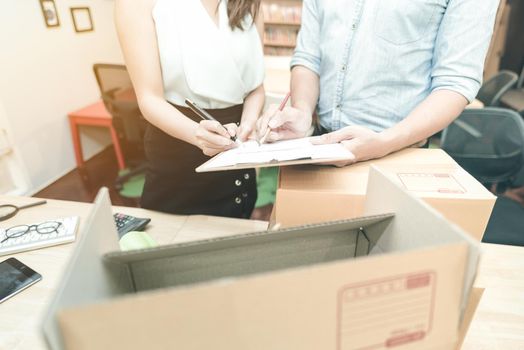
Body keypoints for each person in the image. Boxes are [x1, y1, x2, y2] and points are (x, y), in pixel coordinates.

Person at [257, 0, 500, 166]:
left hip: (397, 153)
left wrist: (385, 143)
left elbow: (455, 82)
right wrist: (302, 111)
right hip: (320, 146)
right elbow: (309, 58)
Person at [115, 0, 265, 218]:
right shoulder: (137, 4)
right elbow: (149, 98)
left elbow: (255, 86)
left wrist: (249, 123)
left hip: (236, 148)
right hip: (178, 150)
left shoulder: (248, 4)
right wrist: (197, 134)